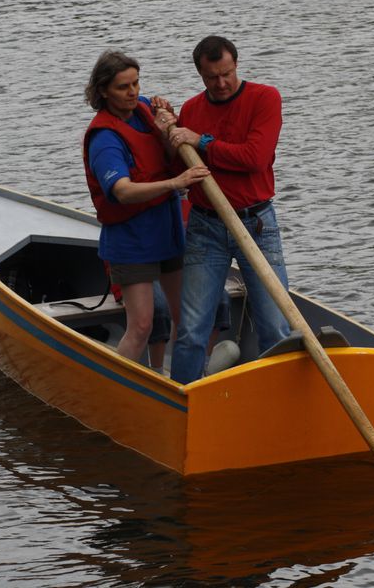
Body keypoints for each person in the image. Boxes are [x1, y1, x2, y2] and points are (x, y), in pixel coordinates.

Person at [165, 36, 291, 384]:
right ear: (200, 75)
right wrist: (169, 128)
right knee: (191, 328)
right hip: (206, 227)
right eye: (211, 78)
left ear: (236, 65)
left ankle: (277, 399)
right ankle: (184, 398)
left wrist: (201, 141)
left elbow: (255, 158)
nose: (221, 84)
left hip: (256, 225)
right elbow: (177, 160)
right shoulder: (191, 110)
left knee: (275, 324)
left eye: (227, 74)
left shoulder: (265, 98)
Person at [83, 50, 209, 369]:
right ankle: (116, 388)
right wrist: (175, 183)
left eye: (136, 83)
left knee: (188, 318)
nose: (134, 92)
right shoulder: (105, 139)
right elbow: (122, 191)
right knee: (141, 326)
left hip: (166, 232)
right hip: (132, 241)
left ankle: (192, 383)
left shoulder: (143, 112)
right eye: (123, 87)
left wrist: (170, 125)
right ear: (103, 92)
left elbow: (163, 154)